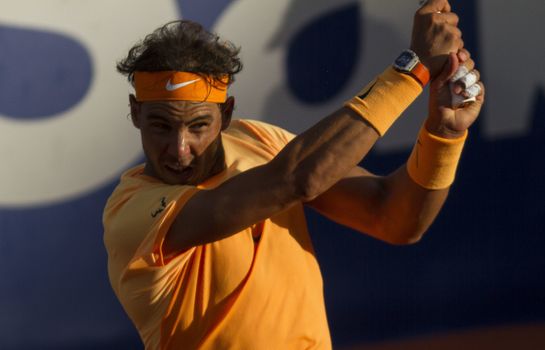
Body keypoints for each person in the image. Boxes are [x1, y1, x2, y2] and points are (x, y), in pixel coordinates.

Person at [103, 0, 484, 348]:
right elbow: (296, 180)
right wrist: (412, 69)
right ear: (136, 114)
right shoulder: (132, 212)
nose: (180, 148)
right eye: (161, 126)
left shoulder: (259, 140)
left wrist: (443, 134)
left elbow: (394, 218)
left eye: (198, 126)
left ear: (227, 113)